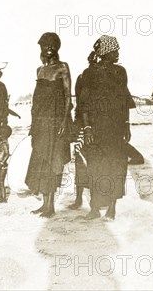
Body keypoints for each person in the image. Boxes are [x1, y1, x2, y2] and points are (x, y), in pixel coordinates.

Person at [79, 35, 134, 221]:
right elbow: (83, 103)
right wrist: (86, 127)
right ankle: (94, 207)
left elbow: (125, 101)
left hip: (116, 126)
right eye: (115, 50)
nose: (118, 53)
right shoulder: (89, 74)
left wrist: (127, 124)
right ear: (105, 52)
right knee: (95, 166)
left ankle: (112, 208)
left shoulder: (120, 72)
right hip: (95, 127)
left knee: (116, 165)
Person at [25, 32, 72, 218]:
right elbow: (36, 101)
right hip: (40, 122)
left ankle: (51, 206)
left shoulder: (63, 67)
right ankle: (44, 204)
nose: (49, 48)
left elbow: (68, 96)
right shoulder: (39, 70)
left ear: (57, 47)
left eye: (52, 45)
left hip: (55, 122)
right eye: (46, 45)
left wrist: (64, 121)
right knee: (41, 161)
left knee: (53, 161)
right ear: (42, 48)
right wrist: (33, 124)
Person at [68, 51, 96, 210]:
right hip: (85, 124)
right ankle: (81, 199)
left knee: (85, 161)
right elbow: (81, 103)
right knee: (83, 161)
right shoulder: (84, 78)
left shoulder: (83, 78)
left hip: (86, 123)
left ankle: (84, 200)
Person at [0, 124, 12, 203]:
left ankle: (3, 198)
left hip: (2, 166)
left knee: (0, 181)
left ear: (2, 135)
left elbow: (7, 154)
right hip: (0, 166)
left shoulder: (5, 144)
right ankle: (0, 196)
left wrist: (2, 162)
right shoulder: (2, 143)